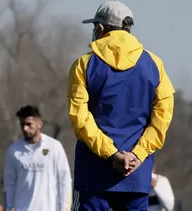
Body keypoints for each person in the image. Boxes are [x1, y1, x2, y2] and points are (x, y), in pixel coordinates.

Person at [67, 0, 175, 210]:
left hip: (93, 176)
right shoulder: (155, 65)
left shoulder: (83, 65)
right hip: (136, 175)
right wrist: (137, 155)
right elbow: (162, 118)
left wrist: (112, 154)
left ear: (100, 29)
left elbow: (80, 119)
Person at [3, 105, 72, 211]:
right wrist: (8, 208)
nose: (25, 128)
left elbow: (64, 180)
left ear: (39, 123)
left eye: (29, 124)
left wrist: (65, 208)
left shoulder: (54, 147)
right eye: (22, 125)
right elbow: (9, 184)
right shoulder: (14, 150)